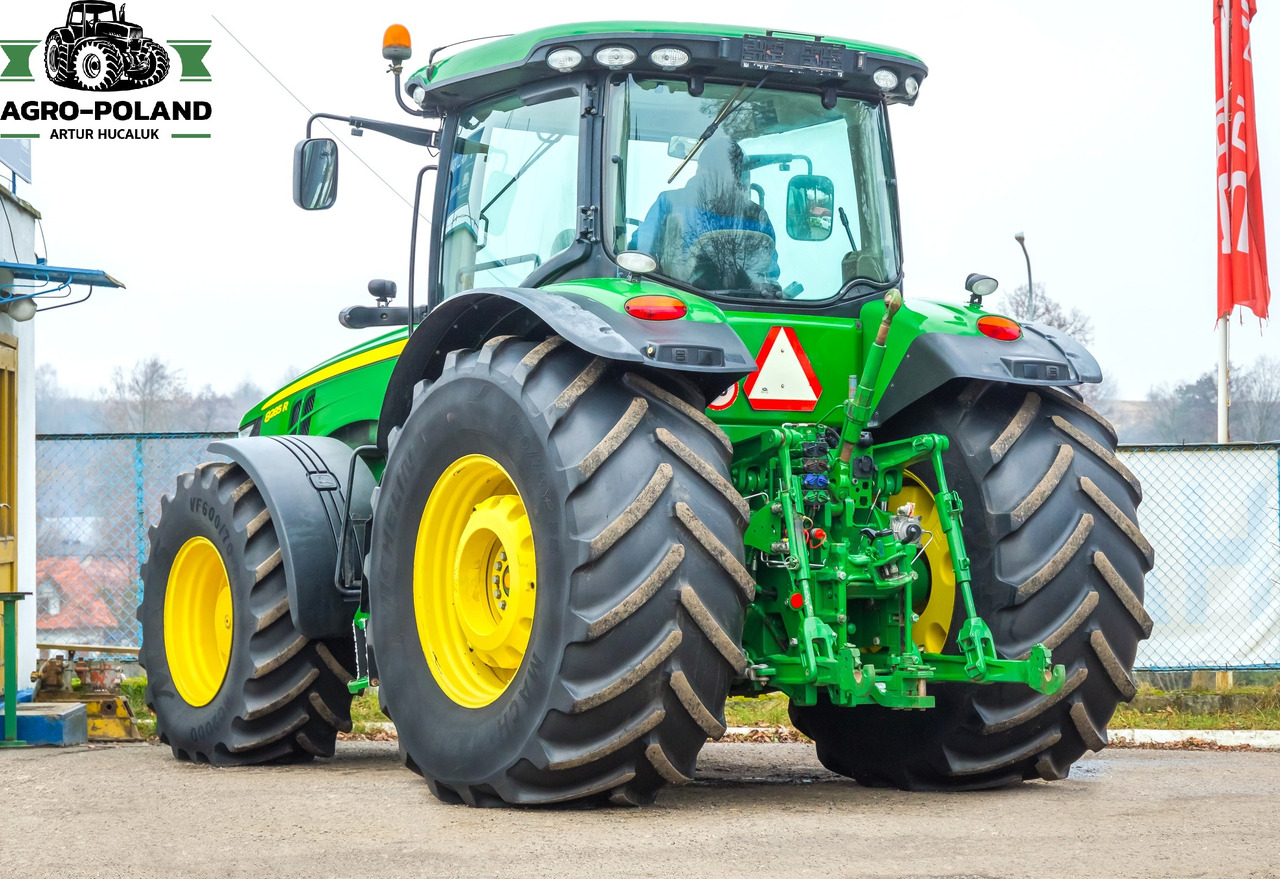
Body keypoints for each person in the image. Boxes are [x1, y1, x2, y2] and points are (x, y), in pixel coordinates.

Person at [631, 136, 782, 295]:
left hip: (681, 301)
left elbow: (639, 250)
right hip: (744, 306)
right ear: (738, 174)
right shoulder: (756, 215)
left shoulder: (669, 202)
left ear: (700, 169)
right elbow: (768, 273)